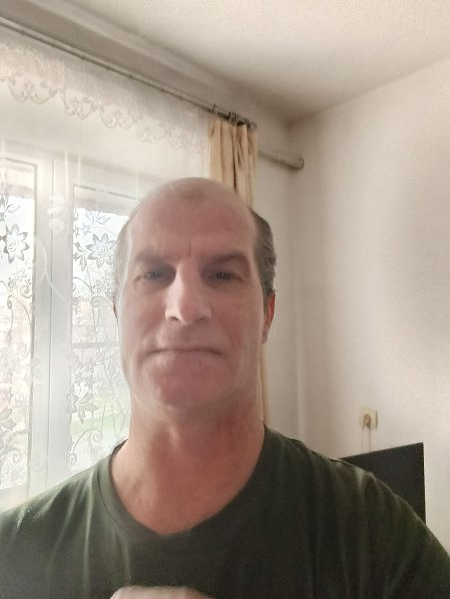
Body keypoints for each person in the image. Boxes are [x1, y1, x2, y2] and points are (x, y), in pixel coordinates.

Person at [0, 177, 449, 599]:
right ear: (117, 311)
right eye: (153, 274)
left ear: (267, 314)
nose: (185, 307)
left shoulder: (375, 533)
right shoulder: (12, 552)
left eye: (222, 275)